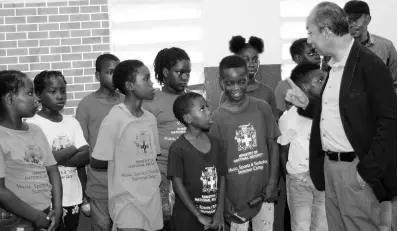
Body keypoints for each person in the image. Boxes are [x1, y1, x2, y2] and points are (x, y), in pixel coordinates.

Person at [285, 2, 397, 231]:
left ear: (327, 31)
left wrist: (367, 171)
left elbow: (389, 120)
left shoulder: (369, 64)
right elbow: (340, 113)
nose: (309, 40)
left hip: (356, 170)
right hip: (330, 168)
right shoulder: (331, 66)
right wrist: (307, 105)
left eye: (311, 32)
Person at [209, 55, 280, 231]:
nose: (236, 88)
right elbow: (216, 163)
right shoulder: (216, 118)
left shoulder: (262, 107)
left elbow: (273, 146)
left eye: (241, 81)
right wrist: (224, 199)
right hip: (234, 197)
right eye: (229, 83)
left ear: (247, 78)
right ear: (221, 83)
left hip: (263, 191)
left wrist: (272, 183)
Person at [90, 60, 163, 231]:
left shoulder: (150, 119)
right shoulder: (115, 119)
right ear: (130, 85)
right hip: (127, 202)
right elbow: (96, 161)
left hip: (152, 199)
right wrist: (121, 158)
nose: (151, 84)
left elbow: (152, 157)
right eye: (145, 79)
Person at [26, 71, 90, 231]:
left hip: (72, 196)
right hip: (45, 199)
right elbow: (37, 162)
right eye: (53, 91)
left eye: (63, 90)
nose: (60, 96)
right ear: (39, 95)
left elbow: (86, 155)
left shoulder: (71, 122)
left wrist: (52, 160)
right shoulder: (32, 124)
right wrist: (73, 148)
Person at [0, 70, 62, 231]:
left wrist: (57, 208)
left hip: (46, 212)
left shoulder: (35, 130)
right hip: (14, 218)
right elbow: (0, 191)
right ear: (9, 99)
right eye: (29, 93)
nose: (37, 99)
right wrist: (35, 216)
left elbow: (52, 170)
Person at [143, 47, 191, 230]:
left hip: (189, 172)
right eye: (180, 72)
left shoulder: (193, 99)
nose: (185, 77)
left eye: (188, 73)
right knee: (165, 222)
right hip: (162, 175)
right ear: (165, 72)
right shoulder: (151, 100)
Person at [75, 53, 122, 231]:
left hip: (126, 185)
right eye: (110, 72)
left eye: (117, 72)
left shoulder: (127, 102)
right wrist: (84, 190)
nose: (115, 76)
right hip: (100, 186)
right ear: (97, 76)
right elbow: (82, 150)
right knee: (102, 227)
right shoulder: (86, 105)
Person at [278, 63, 328, 231]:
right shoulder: (288, 118)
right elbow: (283, 151)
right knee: (301, 225)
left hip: (322, 176)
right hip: (298, 179)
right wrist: (290, 177)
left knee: (322, 225)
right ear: (305, 87)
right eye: (320, 80)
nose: (325, 82)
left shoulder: (327, 112)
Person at [167, 92, 226, 231]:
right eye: (202, 109)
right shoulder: (178, 148)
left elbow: (222, 176)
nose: (208, 111)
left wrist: (219, 211)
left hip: (213, 216)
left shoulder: (216, 143)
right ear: (187, 118)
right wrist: (198, 214)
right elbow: (177, 184)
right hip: (187, 218)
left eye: (207, 107)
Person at [343, 0, 397, 92]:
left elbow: (394, 83)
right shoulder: (335, 48)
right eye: (347, 20)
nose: (351, 24)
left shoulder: (386, 47)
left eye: (355, 19)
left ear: (368, 19)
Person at [219, 36, 277, 118]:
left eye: (255, 59)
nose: (252, 64)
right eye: (246, 60)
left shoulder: (268, 92)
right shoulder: (228, 93)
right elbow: (223, 122)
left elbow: (273, 124)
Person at [274, 38, 322, 118]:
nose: (317, 57)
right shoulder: (284, 86)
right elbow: (276, 117)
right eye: (311, 54)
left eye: (318, 52)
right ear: (298, 58)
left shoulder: (328, 80)